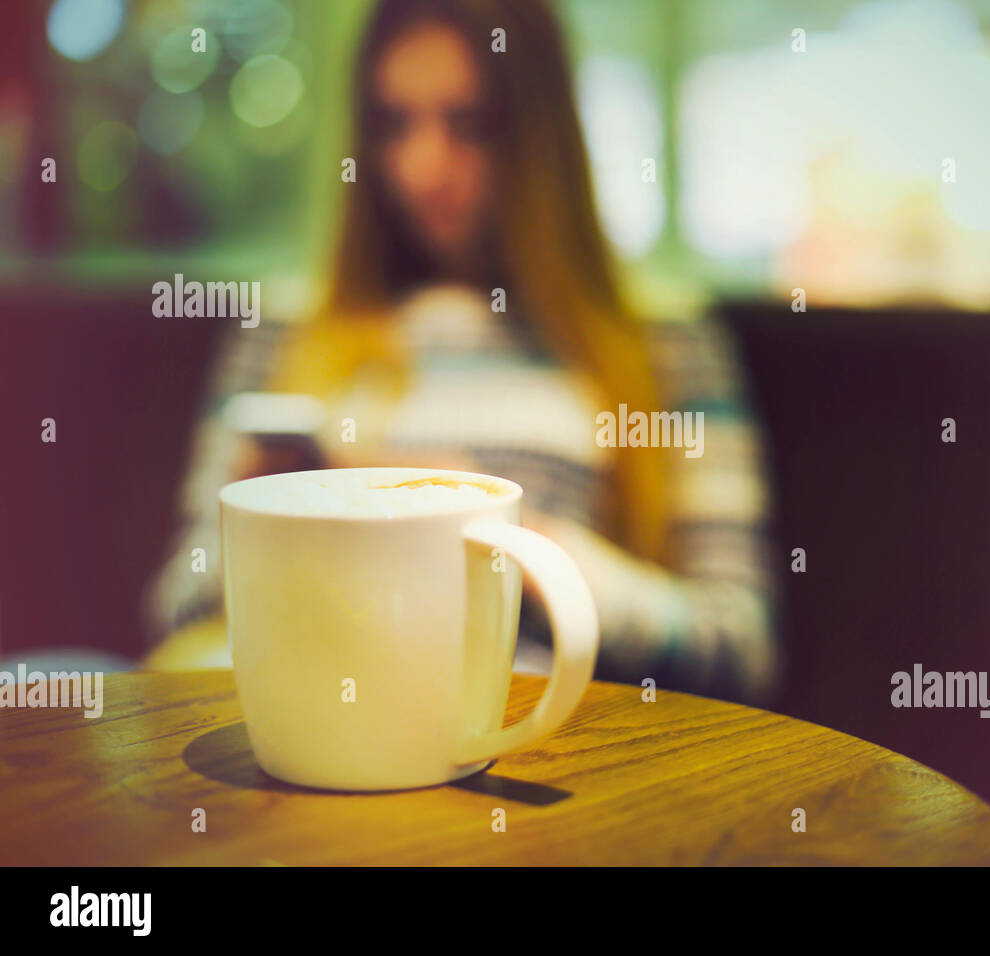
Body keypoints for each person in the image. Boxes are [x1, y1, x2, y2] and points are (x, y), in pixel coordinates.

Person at [144, 0, 779, 705]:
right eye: (393, 124)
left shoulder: (663, 342)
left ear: (541, 140)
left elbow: (738, 649)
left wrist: (512, 540)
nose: (422, 168)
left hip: (521, 740)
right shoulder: (288, 332)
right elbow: (178, 607)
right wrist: (263, 523)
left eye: (469, 125)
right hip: (303, 722)